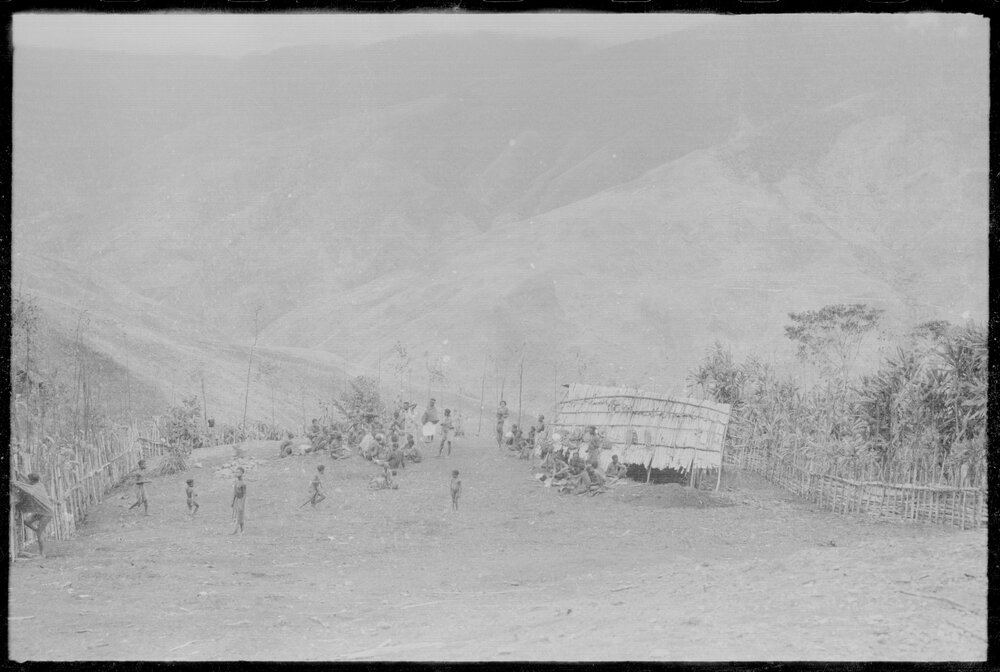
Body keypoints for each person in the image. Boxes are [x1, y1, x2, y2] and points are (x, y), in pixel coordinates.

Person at [13, 473, 54, 557]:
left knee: (39, 534)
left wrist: (16, 483)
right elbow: (26, 481)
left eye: (29, 480)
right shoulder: (39, 484)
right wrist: (19, 474)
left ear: (31, 480)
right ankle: (38, 531)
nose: (27, 481)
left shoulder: (34, 488)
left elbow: (28, 488)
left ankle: (42, 554)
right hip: (41, 511)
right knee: (27, 522)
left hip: (47, 513)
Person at [231, 467, 247, 535]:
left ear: (242, 473)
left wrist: (242, 504)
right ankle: (240, 530)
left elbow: (244, 494)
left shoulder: (243, 483)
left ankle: (236, 531)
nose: (237, 474)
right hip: (236, 500)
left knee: (240, 515)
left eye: (239, 472)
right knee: (236, 515)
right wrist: (232, 501)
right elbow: (234, 493)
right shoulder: (236, 482)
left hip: (241, 500)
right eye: (236, 472)